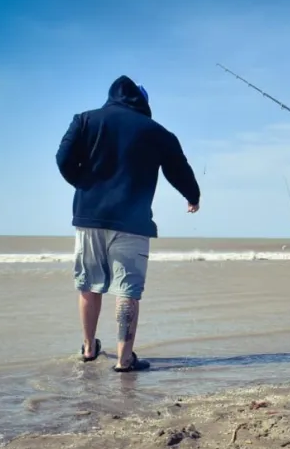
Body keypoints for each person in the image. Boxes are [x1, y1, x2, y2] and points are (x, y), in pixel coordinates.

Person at [56, 75, 200, 373]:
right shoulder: (157, 131)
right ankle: (124, 359)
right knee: (127, 289)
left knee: (89, 284)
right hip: (133, 222)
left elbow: (63, 159)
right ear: (143, 103)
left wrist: (85, 184)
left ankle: (88, 348)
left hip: (89, 217)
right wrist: (192, 195)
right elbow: (178, 167)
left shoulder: (84, 120)